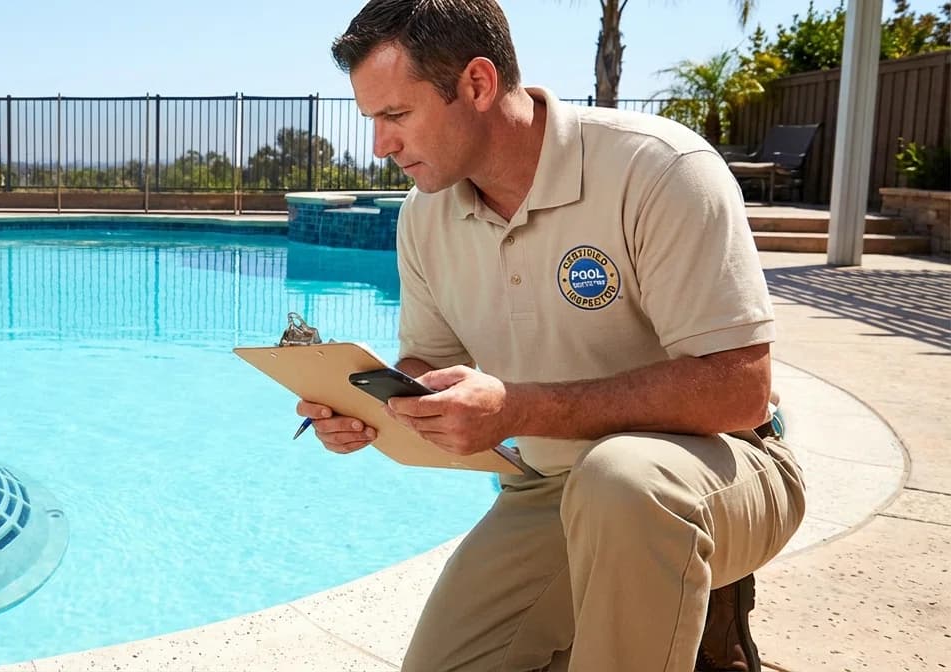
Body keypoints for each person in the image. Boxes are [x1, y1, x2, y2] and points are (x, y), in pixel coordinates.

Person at [295, 1, 808, 670]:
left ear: (477, 84)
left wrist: (517, 409)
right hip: (548, 486)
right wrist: (374, 407)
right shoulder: (424, 216)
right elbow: (429, 361)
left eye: (396, 115)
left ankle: (687, 599)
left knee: (623, 483)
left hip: (724, 465)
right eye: (372, 119)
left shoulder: (659, 168)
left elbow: (740, 391)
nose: (379, 145)